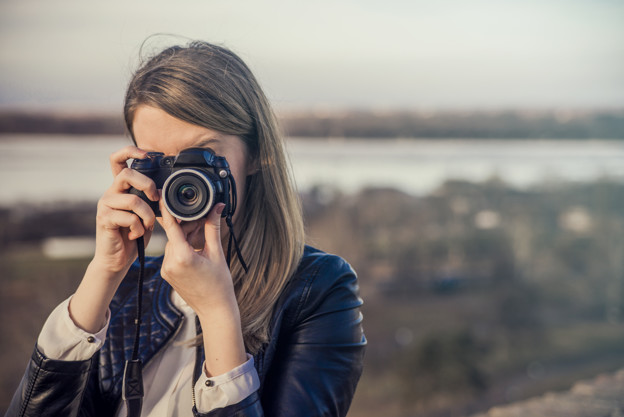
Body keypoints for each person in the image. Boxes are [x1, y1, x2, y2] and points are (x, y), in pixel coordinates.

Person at [7, 40, 365, 417]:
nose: (183, 180)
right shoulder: (129, 287)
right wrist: (103, 275)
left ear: (259, 152)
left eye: (203, 156)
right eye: (160, 161)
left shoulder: (319, 291)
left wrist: (217, 313)